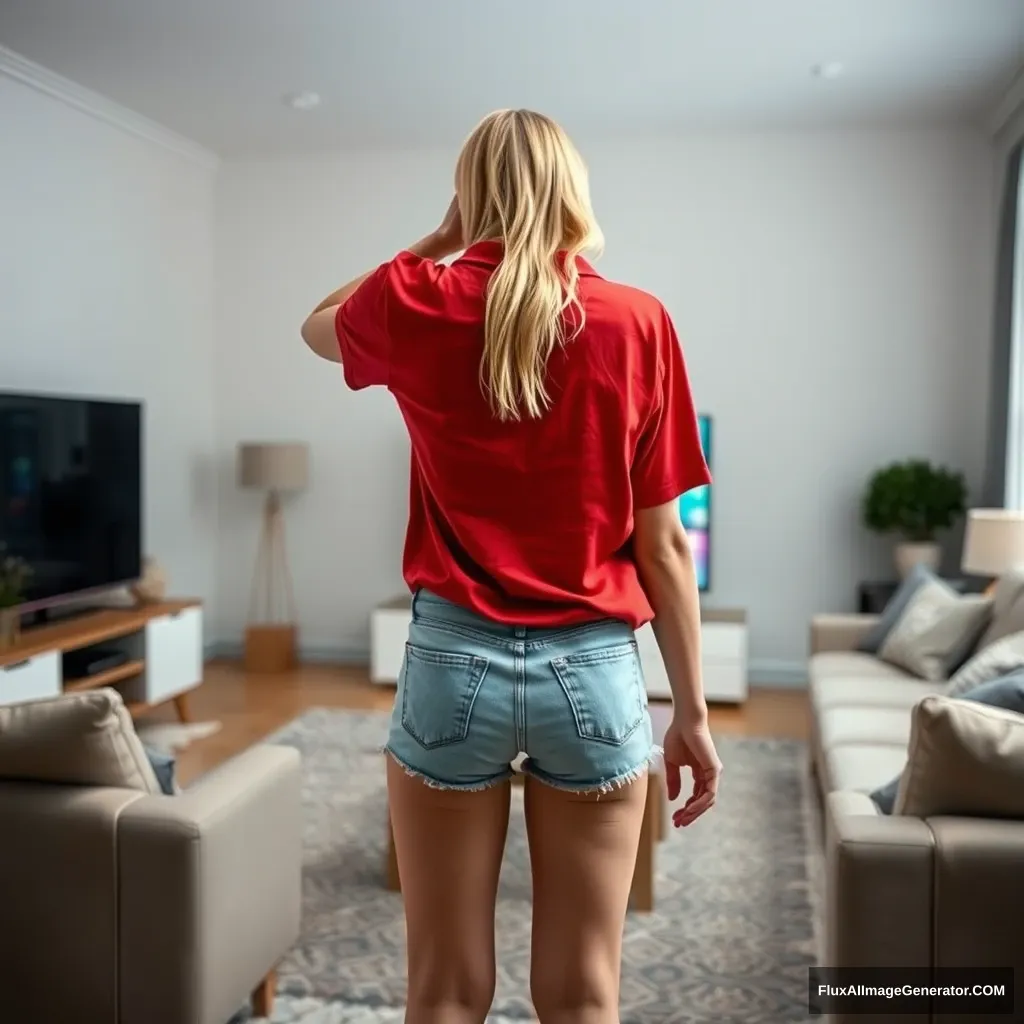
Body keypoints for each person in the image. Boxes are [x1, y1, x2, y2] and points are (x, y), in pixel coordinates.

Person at [300, 109, 723, 1024]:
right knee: (584, 994)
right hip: (597, 668)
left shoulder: (416, 299)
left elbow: (317, 329)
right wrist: (689, 710)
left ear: (467, 196)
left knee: (446, 992)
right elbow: (661, 547)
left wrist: (438, 244)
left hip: (450, 663)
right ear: (574, 190)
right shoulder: (640, 321)